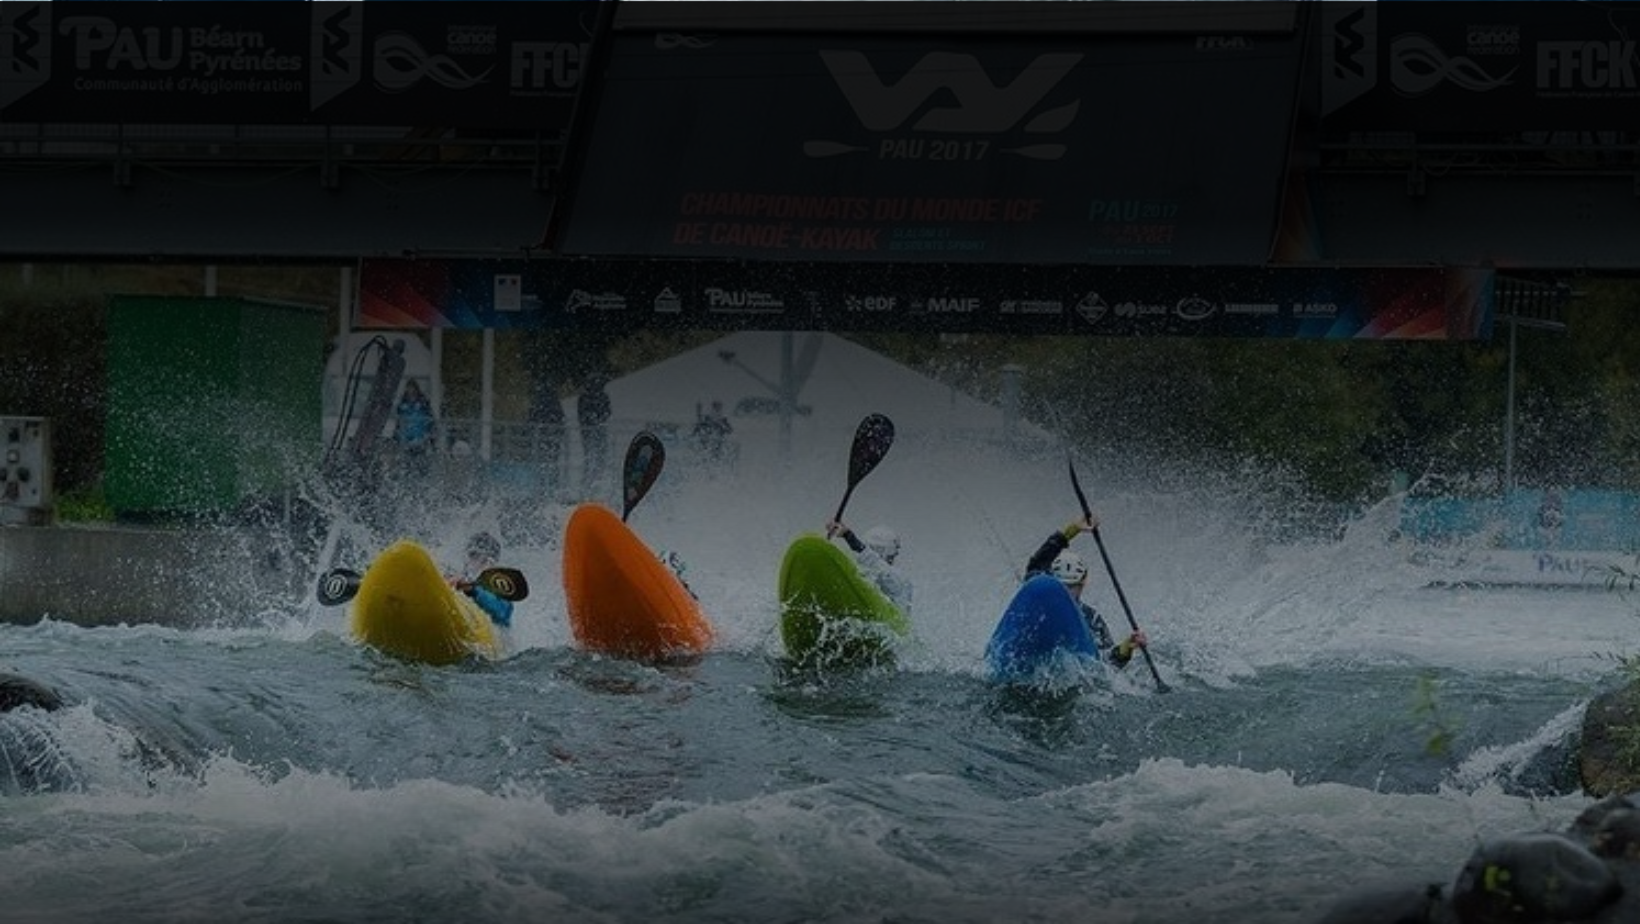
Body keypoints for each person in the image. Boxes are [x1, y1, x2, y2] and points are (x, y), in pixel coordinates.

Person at [1024, 514, 1147, 669]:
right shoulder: (1038, 596)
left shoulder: (1092, 618)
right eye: (1061, 586)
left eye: (1071, 587)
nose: (1066, 593)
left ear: (1082, 584)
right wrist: (1073, 529)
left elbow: (1107, 665)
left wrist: (1126, 648)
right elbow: (1037, 564)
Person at [825, 518, 913, 616]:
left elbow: (883, 573)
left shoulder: (901, 581)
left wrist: (849, 536)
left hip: (891, 626)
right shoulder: (862, 573)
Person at [448, 531, 513, 630]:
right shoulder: (458, 578)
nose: (472, 561)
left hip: (495, 640)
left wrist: (473, 591)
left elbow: (501, 612)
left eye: (478, 556)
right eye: (472, 555)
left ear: (491, 563)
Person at [394, 379, 436, 478]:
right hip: (407, 439)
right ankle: (409, 480)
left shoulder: (423, 403)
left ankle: (422, 480)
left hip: (421, 438)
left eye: (412, 388)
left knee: (421, 463)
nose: (410, 391)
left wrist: (431, 436)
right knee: (408, 463)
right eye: (408, 388)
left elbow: (430, 420)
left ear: (416, 389)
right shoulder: (402, 404)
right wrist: (396, 436)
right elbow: (399, 423)